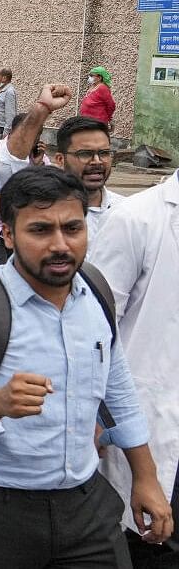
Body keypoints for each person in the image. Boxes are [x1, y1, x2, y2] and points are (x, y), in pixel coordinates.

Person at [0, 166, 172, 568]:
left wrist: (145, 477)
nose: (60, 244)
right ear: (8, 235)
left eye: (72, 228)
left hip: (85, 506)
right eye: (40, 230)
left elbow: (118, 391)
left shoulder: (95, 293)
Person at [87, 170, 179, 567]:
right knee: (149, 546)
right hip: (149, 421)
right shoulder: (137, 220)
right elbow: (93, 329)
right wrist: (93, 418)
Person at [51, 115, 123, 243]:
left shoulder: (126, 210)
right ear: (60, 160)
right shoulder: (44, 210)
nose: (97, 161)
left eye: (104, 153)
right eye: (85, 154)